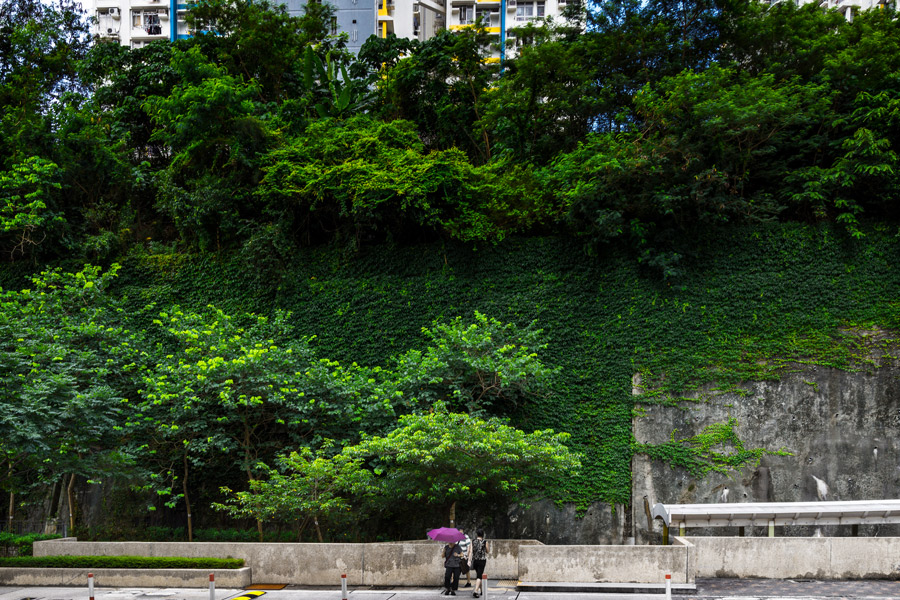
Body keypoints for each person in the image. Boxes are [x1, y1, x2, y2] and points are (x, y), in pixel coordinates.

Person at [470, 529, 489, 598]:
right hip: (482, 560)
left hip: (475, 560)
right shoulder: (485, 542)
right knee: (479, 576)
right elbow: (487, 551)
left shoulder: (473, 541)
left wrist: (469, 560)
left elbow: (471, 551)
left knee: (479, 575)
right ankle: (475, 591)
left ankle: (481, 590)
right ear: (482, 534)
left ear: (477, 534)